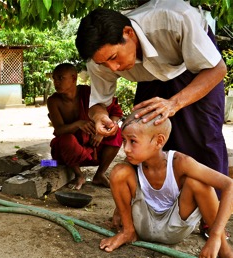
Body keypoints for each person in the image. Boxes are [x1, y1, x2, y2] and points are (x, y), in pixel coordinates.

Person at [75, 0, 229, 199]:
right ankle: (155, 205)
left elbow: (218, 69)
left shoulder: (174, 19)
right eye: (104, 63)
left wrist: (174, 103)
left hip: (198, 67)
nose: (112, 68)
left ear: (128, 33)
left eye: (114, 57)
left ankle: (212, 215)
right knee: (145, 136)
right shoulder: (99, 61)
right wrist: (99, 117)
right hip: (150, 76)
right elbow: (98, 104)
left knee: (204, 135)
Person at [100, 109, 233, 258]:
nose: (126, 149)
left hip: (175, 228)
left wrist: (214, 237)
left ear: (158, 141)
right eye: (124, 141)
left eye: (132, 141)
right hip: (143, 226)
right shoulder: (133, 163)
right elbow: (126, 188)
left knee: (199, 183)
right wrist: (119, 211)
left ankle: (224, 249)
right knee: (119, 171)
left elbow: (230, 186)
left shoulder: (180, 162)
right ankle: (127, 232)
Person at [47, 63, 122, 189]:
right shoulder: (53, 101)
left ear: (74, 78)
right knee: (66, 140)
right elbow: (59, 130)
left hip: (94, 145)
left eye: (60, 78)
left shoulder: (89, 92)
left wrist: (102, 133)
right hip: (71, 152)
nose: (56, 82)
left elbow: (115, 112)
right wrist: (78, 124)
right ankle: (79, 175)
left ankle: (99, 174)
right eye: (54, 79)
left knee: (117, 132)